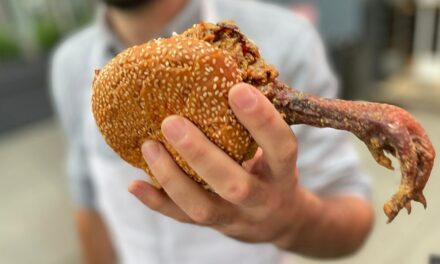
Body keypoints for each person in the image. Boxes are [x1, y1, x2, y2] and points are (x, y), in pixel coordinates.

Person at [50, 0, 374, 263]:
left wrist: (293, 221)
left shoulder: (288, 40)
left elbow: (355, 216)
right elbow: (88, 202)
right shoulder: (70, 63)